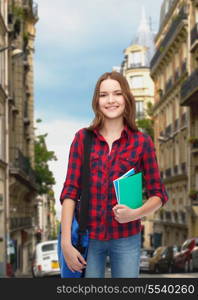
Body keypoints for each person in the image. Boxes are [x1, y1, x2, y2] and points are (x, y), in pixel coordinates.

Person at [60, 71, 168, 278]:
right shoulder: (82, 139)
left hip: (126, 238)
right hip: (88, 238)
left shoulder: (142, 142)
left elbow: (159, 194)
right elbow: (70, 192)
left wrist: (135, 213)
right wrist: (66, 242)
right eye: (103, 95)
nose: (110, 100)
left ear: (126, 98)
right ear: (97, 101)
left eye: (117, 93)